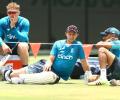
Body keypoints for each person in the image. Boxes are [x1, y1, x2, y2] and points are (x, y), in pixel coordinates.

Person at [2, 25, 92, 84]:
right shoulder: (58, 43)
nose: (71, 36)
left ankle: (19, 79)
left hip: (55, 74)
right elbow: (51, 58)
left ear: (77, 35)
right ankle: (6, 71)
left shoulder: (78, 45)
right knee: (12, 74)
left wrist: (88, 75)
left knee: (50, 77)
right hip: (44, 65)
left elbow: (84, 62)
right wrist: (48, 63)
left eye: (73, 34)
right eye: (69, 34)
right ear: (66, 34)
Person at [0, 2, 30, 67]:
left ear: (18, 13)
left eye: (14, 12)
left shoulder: (24, 21)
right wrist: (3, 44)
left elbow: (24, 38)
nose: (11, 15)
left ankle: (25, 69)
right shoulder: (2, 21)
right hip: (7, 46)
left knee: (23, 46)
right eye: (9, 12)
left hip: (19, 47)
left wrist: (14, 29)